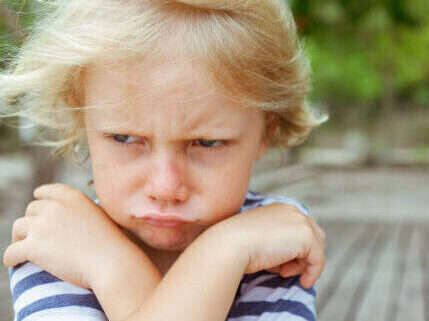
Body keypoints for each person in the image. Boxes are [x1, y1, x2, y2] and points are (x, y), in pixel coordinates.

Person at [0, 0, 328, 320]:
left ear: (266, 131)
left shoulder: (271, 238)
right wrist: (223, 252)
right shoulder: (58, 245)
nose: (166, 187)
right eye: (125, 138)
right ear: (81, 116)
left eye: (207, 142)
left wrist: (112, 269)